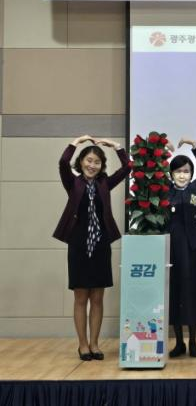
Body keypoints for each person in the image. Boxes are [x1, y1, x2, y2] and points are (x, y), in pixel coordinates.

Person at [53, 135, 130, 361]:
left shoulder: (105, 183)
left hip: (101, 245)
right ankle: (83, 345)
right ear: (81, 162)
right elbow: (62, 162)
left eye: (97, 162)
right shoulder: (72, 182)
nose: (92, 165)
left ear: (101, 166)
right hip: (78, 245)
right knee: (80, 297)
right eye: (88, 160)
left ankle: (95, 344)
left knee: (97, 297)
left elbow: (128, 167)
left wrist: (117, 147)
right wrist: (76, 142)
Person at [166, 138, 196, 358]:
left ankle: (193, 342)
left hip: (194, 250)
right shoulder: (165, 191)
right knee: (175, 292)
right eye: (178, 171)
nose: (182, 175)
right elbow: (153, 171)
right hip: (172, 251)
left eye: (186, 171)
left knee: (194, 292)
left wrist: (195, 146)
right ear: (171, 174)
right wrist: (163, 150)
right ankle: (178, 343)